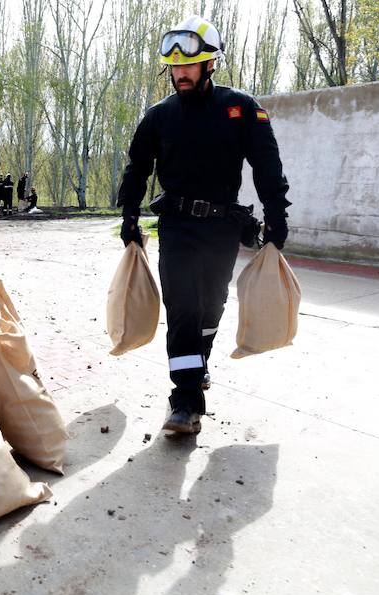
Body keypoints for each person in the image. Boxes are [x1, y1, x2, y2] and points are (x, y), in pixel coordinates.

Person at [116, 15, 290, 435]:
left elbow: (267, 166)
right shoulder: (159, 116)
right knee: (183, 310)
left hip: (222, 228)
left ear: (210, 63)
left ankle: (200, 361)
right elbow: (136, 169)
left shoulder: (241, 109)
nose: (180, 73)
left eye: (188, 65)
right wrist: (129, 217)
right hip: (175, 226)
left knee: (211, 307)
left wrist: (277, 217)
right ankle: (186, 400)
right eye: (173, 66)